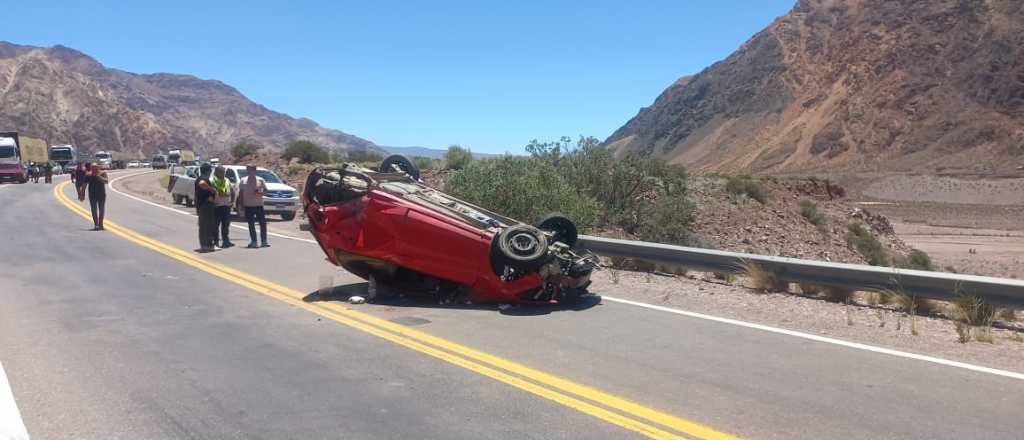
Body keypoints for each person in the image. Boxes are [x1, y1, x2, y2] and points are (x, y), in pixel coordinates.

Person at [236, 165, 269, 248]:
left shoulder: (260, 180)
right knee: (251, 224)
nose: (250, 171)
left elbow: (266, 191)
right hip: (248, 205)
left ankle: (264, 241)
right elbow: (240, 194)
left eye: (252, 169)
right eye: (248, 169)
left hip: (259, 205)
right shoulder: (243, 180)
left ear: (255, 170)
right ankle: (254, 242)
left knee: (262, 223)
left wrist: (260, 193)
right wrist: (240, 205)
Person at [194, 163, 218, 252]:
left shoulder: (206, 179)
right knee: (205, 225)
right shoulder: (202, 179)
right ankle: (205, 245)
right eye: (210, 170)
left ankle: (208, 244)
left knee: (208, 225)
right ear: (208, 170)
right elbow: (202, 183)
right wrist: (212, 190)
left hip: (207, 205)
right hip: (205, 205)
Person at [210, 165, 236, 248]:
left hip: (226, 206)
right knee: (215, 225)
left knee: (226, 225)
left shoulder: (226, 180)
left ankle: (226, 241)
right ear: (216, 172)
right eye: (221, 172)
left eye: (224, 172)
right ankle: (215, 242)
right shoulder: (212, 180)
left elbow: (232, 191)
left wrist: (232, 201)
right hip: (216, 206)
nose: (223, 173)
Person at [86, 163, 108, 230]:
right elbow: (84, 185)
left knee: (101, 210)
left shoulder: (103, 173)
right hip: (92, 195)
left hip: (101, 194)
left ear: (98, 168)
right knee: (94, 210)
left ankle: (101, 224)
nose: (94, 169)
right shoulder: (88, 174)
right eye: (93, 168)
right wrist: (82, 194)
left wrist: (98, 176)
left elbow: (106, 181)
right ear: (91, 168)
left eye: (96, 168)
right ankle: (96, 225)